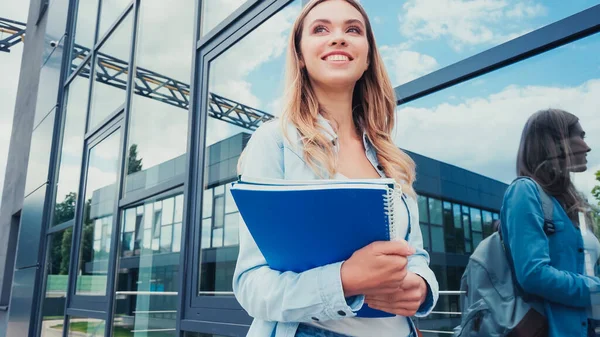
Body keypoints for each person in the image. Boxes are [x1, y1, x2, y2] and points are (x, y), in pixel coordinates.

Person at [232, 0, 439, 336]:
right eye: (321, 29)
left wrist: (421, 285)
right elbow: (252, 284)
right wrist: (345, 279)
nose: (339, 38)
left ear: (368, 54)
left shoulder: (391, 159)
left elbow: (416, 254)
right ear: (300, 54)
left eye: (353, 30)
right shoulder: (275, 141)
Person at [501, 108, 600, 337]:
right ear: (555, 142)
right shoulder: (524, 192)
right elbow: (534, 274)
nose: (587, 147)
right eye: (581, 136)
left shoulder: (575, 203)